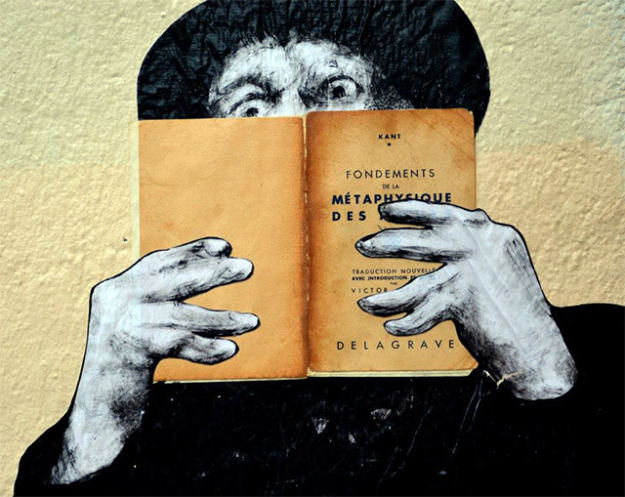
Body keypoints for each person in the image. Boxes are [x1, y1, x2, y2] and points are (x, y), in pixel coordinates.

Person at [16, 1, 623, 495]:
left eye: (335, 88)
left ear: (421, 123)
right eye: (250, 107)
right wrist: (104, 411)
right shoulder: (161, 395)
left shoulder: (594, 352)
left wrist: (541, 371)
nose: (296, 129)